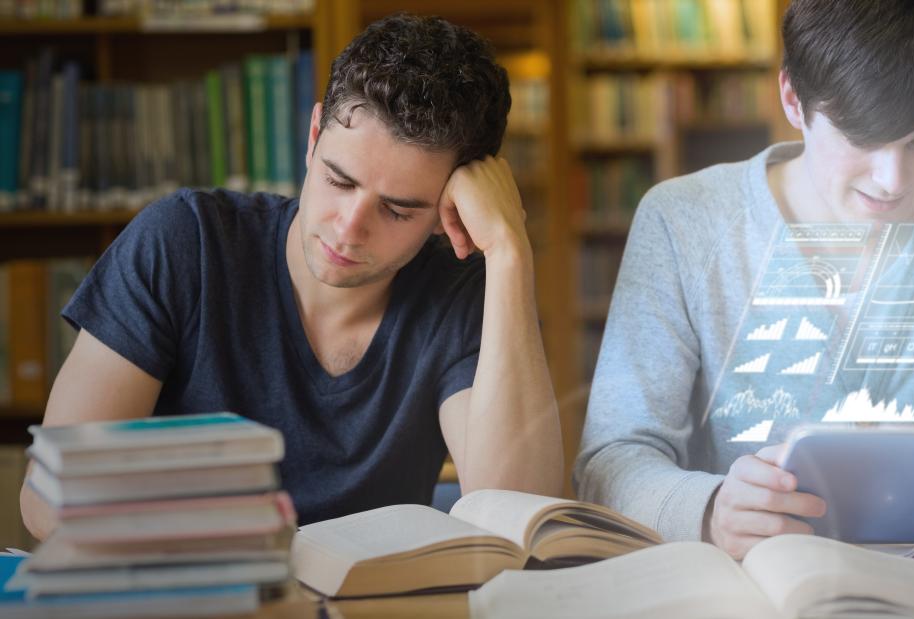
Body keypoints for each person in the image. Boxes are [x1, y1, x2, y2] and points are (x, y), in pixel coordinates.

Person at [21, 13, 562, 539]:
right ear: (312, 137)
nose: (349, 229)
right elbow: (49, 500)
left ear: (448, 212)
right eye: (338, 179)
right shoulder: (184, 242)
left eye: (398, 211)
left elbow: (517, 519)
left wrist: (509, 249)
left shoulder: (461, 294)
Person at [575, 0, 914, 559]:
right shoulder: (684, 220)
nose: (892, 180)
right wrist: (712, 509)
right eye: (862, 137)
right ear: (792, 99)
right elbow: (611, 459)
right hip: (757, 585)